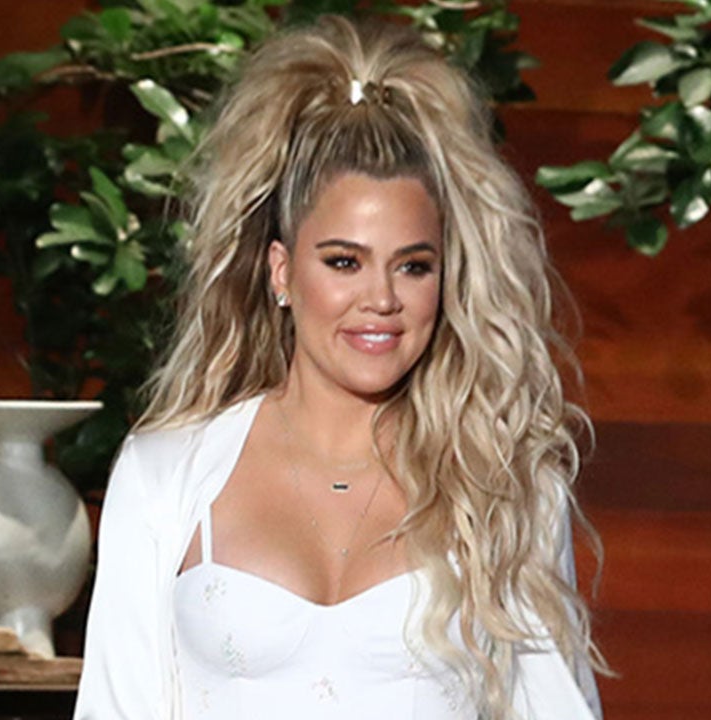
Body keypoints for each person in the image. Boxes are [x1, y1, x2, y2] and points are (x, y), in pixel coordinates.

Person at [73, 15, 604, 720]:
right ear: (282, 270)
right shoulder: (166, 474)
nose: (381, 299)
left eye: (413, 266)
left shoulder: (507, 491)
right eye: (345, 262)